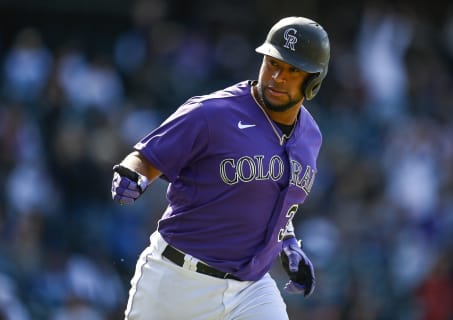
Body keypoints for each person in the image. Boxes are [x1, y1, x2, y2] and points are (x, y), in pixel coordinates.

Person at [111, 16, 330, 320]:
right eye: (273, 63)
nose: (278, 76)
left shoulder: (311, 136)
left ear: (314, 81)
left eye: (293, 70)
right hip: (178, 281)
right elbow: (146, 158)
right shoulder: (211, 113)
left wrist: (288, 243)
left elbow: (274, 195)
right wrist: (133, 174)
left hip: (251, 290)